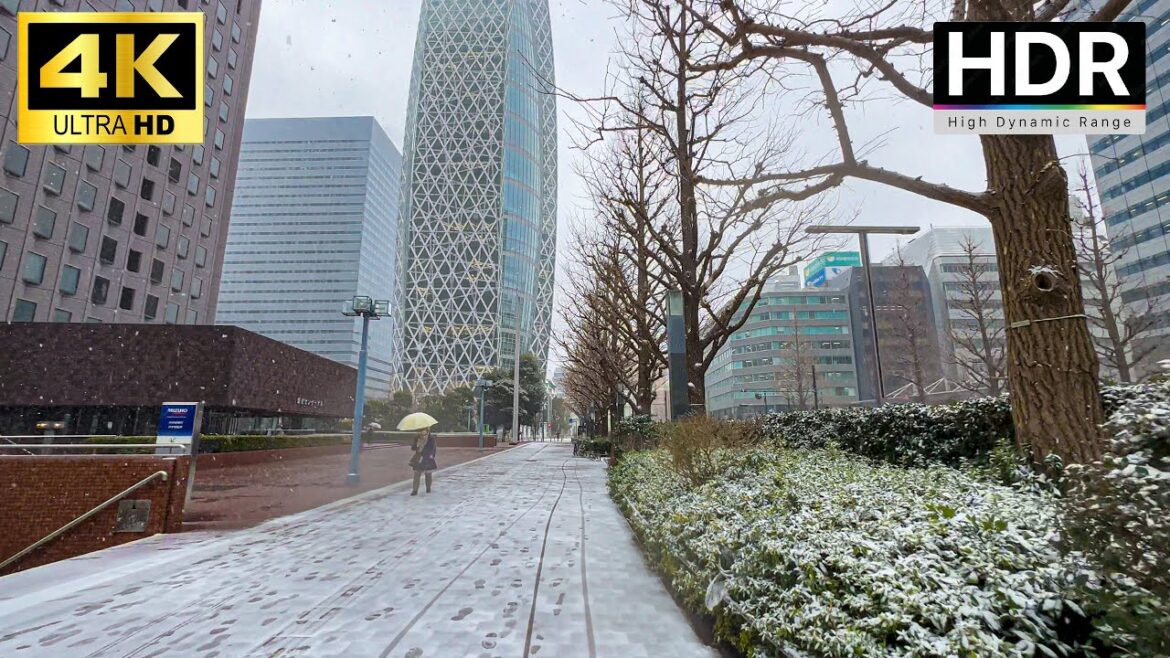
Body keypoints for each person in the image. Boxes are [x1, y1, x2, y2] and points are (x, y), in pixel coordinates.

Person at [410, 427, 438, 496]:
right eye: (421, 432)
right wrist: (417, 445)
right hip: (419, 457)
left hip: (427, 457)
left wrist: (432, 455)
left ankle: (428, 487)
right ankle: (415, 490)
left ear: (427, 432)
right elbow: (413, 448)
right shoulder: (417, 438)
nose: (423, 434)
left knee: (428, 474)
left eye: (424, 432)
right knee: (416, 474)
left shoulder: (431, 439)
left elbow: (433, 448)